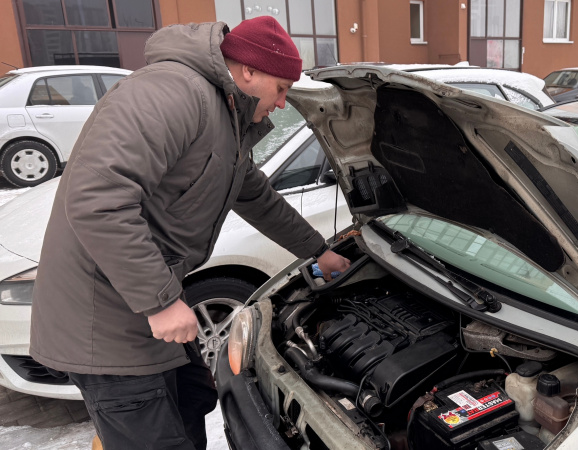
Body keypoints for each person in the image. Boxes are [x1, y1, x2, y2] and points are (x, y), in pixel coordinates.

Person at [29, 17, 350, 449]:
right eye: (281, 89)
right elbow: (97, 200)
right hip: (103, 320)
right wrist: (160, 302)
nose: (282, 103)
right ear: (249, 71)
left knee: (193, 399)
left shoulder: (226, 116)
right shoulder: (171, 93)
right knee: (151, 436)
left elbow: (256, 196)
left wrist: (318, 251)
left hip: (141, 303)